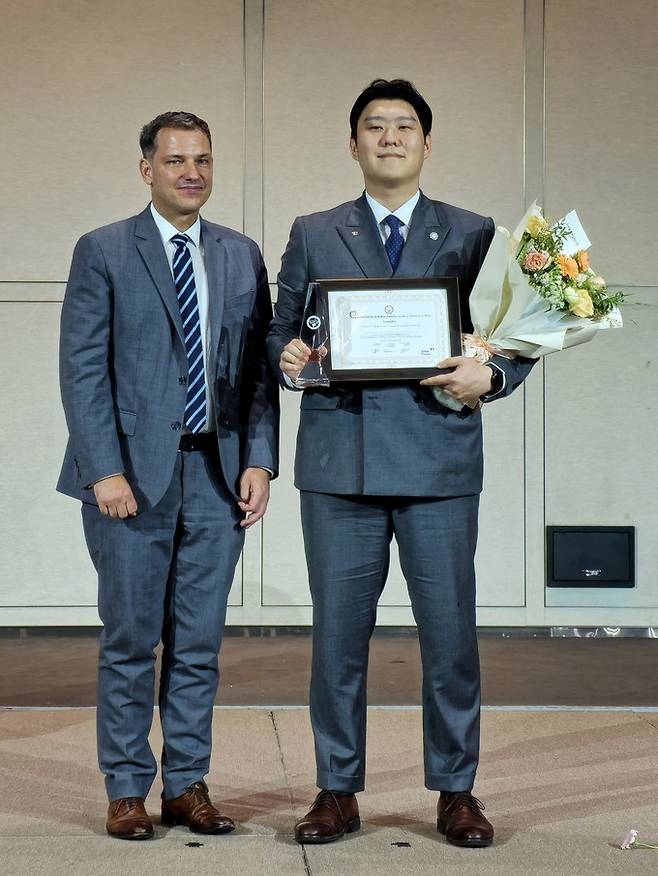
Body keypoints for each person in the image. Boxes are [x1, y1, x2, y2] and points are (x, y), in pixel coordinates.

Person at [267, 79, 533, 848]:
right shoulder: (315, 229)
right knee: (337, 641)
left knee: (451, 638)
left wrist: (496, 375)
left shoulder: (475, 232)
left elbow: (518, 334)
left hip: (438, 464)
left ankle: (456, 791)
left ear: (426, 142)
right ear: (352, 143)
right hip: (339, 468)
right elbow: (283, 330)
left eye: (405, 126)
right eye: (374, 127)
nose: (390, 137)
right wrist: (286, 355)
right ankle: (335, 790)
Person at [58, 111, 279, 840]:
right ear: (146, 169)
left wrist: (260, 458)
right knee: (129, 639)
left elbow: (255, 375)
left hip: (216, 475)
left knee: (199, 642)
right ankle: (126, 788)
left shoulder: (241, 255)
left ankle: (186, 783)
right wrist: (104, 472)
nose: (192, 172)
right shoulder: (105, 250)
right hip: (130, 480)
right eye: (177, 160)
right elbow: (83, 370)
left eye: (204, 160)